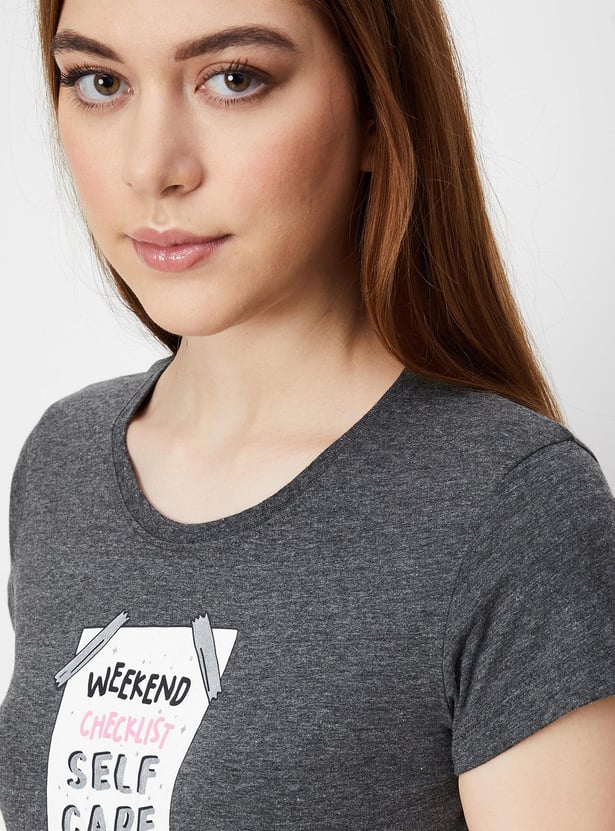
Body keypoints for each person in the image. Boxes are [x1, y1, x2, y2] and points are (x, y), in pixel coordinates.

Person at [1, 0, 614, 828]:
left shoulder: (509, 507)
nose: (151, 167)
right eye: (100, 82)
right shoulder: (64, 461)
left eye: (233, 78)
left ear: (377, 112)